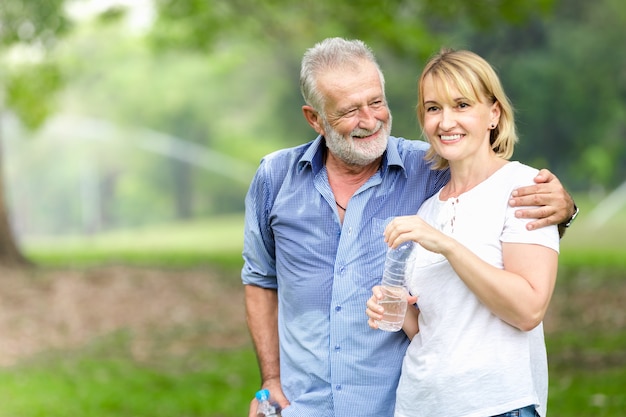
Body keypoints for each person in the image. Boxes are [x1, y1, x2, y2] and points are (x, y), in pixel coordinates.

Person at [243, 37, 575, 417]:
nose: (368, 121)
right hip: (324, 406)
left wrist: (567, 208)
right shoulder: (275, 178)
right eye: (349, 111)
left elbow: (499, 201)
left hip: (408, 404)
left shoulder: (429, 170)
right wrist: (271, 380)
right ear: (314, 118)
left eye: (376, 102)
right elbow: (259, 278)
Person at [366, 48, 560, 417]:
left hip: (497, 404)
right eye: (433, 108)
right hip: (421, 404)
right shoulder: (428, 210)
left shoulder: (523, 188)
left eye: (461, 105)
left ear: (493, 114)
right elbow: (435, 329)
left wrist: (447, 246)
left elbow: (528, 309)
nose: (445, 121)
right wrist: (395, 311)